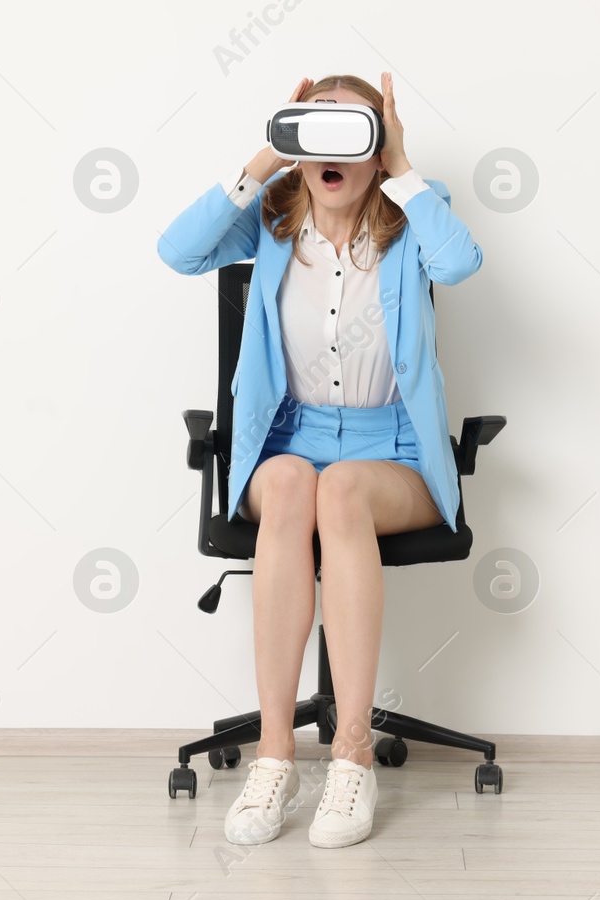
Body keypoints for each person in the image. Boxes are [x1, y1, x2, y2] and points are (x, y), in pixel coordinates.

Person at [156, 72, 483, 848]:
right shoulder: (269, 220)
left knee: (338, 490)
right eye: (315, 130)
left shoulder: (412, 215)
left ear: (376, 147)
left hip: (391, 448)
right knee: (301, 478)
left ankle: (351, 755)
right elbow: (177, 251)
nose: (331, 150)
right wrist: (265, 157)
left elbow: (461, 263)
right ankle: (275, 756)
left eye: (353, 133)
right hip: (286, 442)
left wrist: (402, 168)